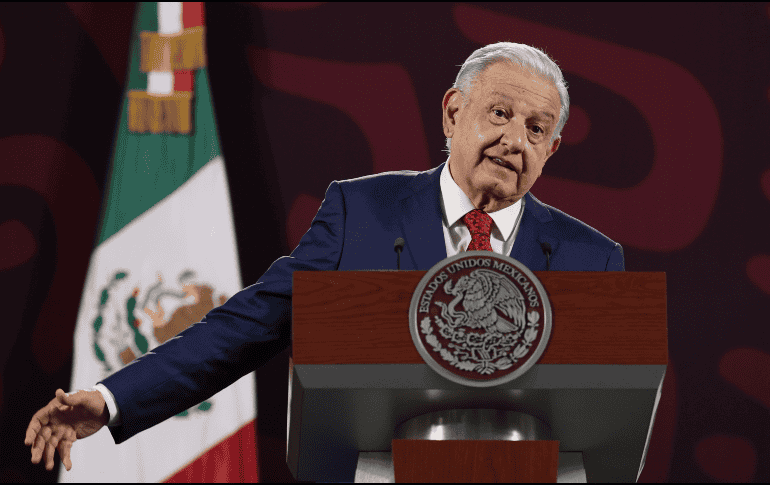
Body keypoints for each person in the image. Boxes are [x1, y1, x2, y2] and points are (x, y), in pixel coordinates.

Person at [25, 41, 624, 472]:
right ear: (452, 112)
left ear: (552, 148)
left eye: (537, 129)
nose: (515, 140)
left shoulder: (591, 260)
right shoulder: (361, 213)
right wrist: (112, 399)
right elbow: (247, 326)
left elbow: (607, 415)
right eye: (500, 113)